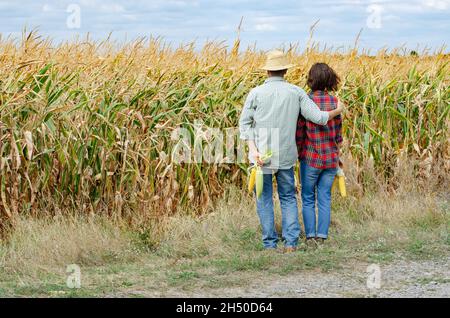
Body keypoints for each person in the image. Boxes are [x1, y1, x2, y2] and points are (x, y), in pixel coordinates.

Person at [239, 51, 343, 252]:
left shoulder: (256, 93)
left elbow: (244, 125)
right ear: (285, 70)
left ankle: (269, 243)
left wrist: (254, 151)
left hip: (262, 157)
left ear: (268, 71)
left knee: (264, 197)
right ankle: (291, 243)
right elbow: (319, 118)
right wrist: (337, 111)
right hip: (286, 155)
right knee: (287, 197)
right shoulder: (296, 93)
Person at [296, 63, 343, 247]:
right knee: (325, 196)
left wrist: (299, 153)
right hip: (331, 159)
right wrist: (337, 155)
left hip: (310, 158)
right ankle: (322, 236)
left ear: (311, 79)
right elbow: (338, 134)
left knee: (308, 197)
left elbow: (300, 132)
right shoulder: (335, 103)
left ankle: (310, 236)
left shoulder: (305, 101)